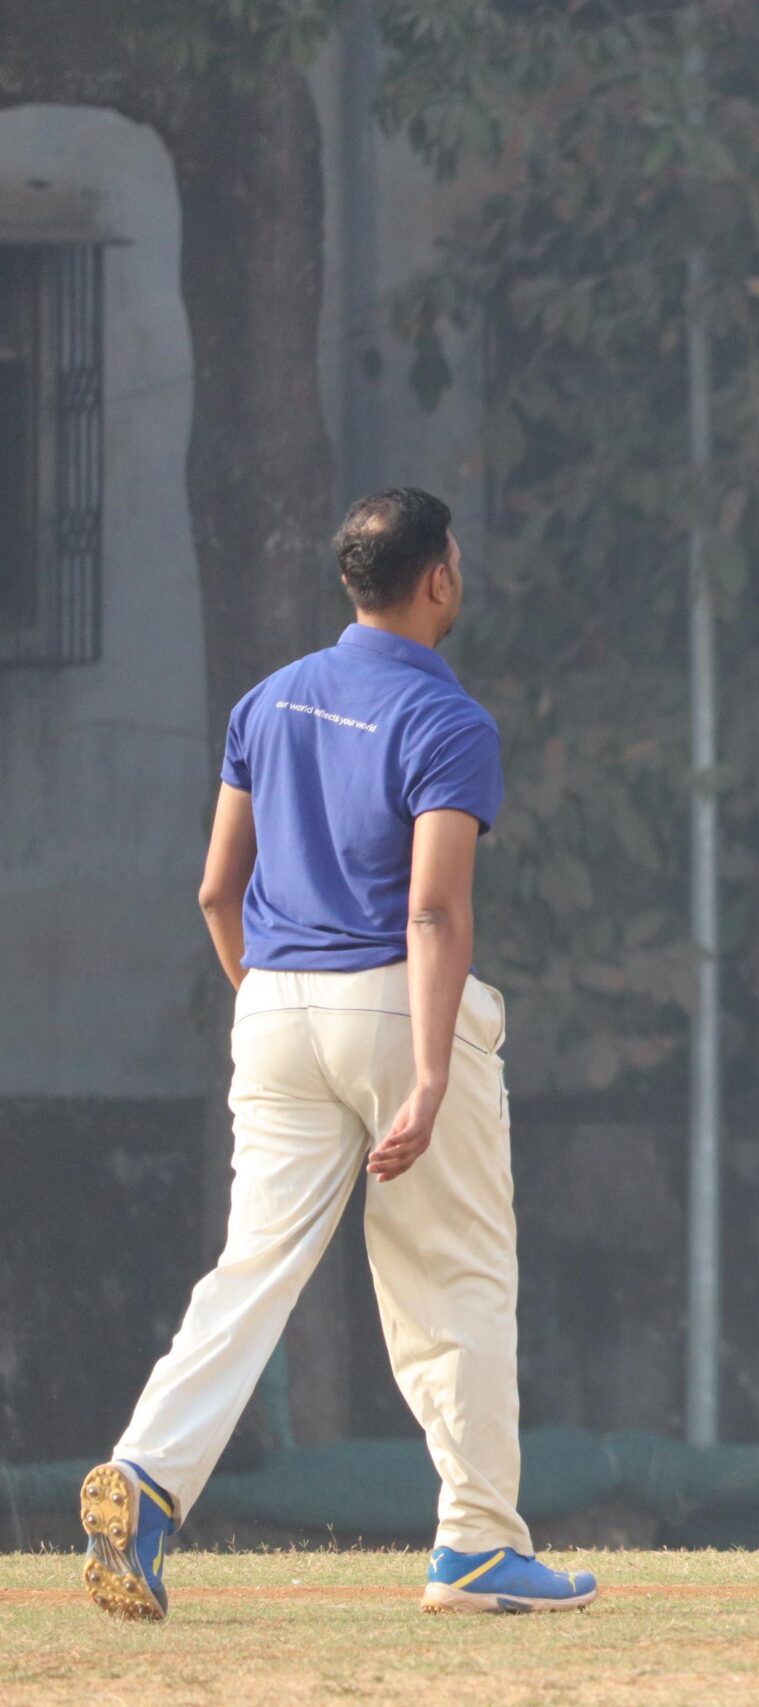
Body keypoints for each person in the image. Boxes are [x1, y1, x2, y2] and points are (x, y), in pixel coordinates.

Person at [80, 489, 595, 1620]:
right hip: (394, 1001)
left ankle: (147, 1477)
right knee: (456, 1273)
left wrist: (275, 1008)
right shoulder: (450, 719)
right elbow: (435, 910)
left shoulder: (265, 700)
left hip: (271, 1003)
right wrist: (428, 1071)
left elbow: (216, 889)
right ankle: (476, 1545)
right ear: (438, 579)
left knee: (251, 1268)